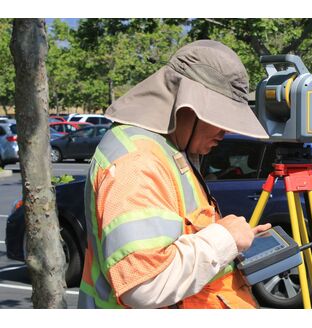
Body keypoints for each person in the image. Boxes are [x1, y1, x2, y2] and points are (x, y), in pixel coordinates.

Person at [77, 40, 272, 309]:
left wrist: (233, 240)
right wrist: (224, 239)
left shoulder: (166, 148)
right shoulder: (138, 161)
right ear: (187, 107)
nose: (226, 131)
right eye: (219, 116)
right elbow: (144, 284)